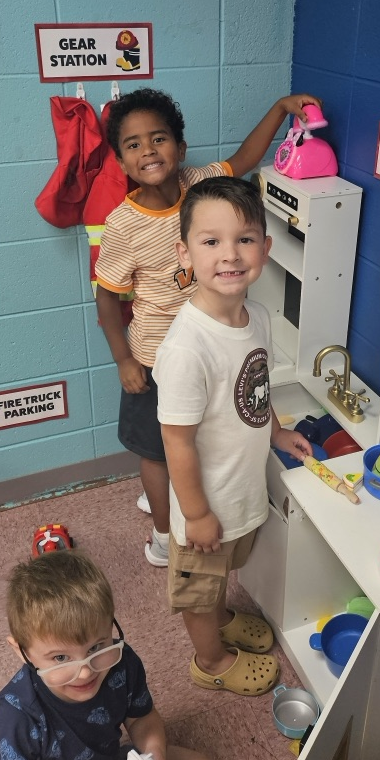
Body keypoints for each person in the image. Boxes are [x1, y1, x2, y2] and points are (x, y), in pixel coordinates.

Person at [95, 88, 321, 568]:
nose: (148, 151)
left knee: (206, 439)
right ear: (119, 160)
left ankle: (181, 497)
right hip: (156, 360)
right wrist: (124, 360)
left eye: (159, 139)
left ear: (179, 145)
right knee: (159, 451)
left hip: (216, 347)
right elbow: (107, 295)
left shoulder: (201, 186)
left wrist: (280, 109)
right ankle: (163, 531)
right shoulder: (122, 224)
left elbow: (245, 156)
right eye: (133, 144)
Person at [153, 176, 313, 695]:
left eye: (245, 239)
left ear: (265, 249)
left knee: (222, 575)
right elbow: (175, 442)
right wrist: (196, 513)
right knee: (199, 590)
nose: (230, 254)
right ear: (185, 252)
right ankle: (212, 659)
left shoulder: (258, 317)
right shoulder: (187, 348)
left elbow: (257, 391)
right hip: (205, 503)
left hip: (240, 491)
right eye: (211, 241)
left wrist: (276, 433)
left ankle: (222, 617)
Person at [0, 550, 216, 760]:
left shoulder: (121, 662)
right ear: (21, 650)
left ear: (111, 626)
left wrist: (155, 754)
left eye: (97, 646)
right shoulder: (15, 717)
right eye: (61, 658)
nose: (85, 673)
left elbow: (142, 719)